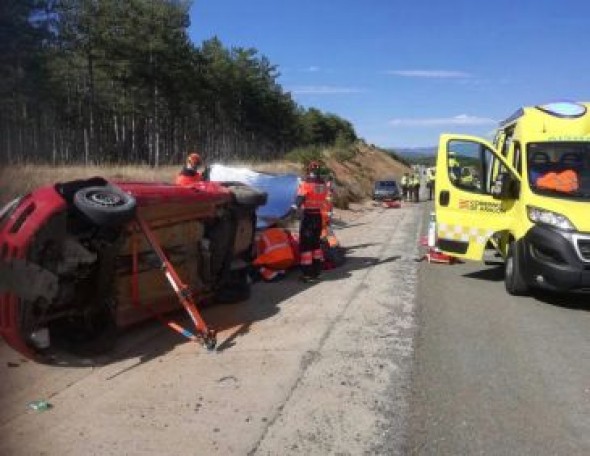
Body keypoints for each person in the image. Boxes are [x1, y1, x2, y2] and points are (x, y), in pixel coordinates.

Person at [295, 161, 329, 282]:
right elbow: (325, 198)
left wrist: (293, 208)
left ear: (308, 170)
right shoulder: (323, 184)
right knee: (316, 245)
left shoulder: (306, 184)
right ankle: (317, 272)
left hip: (308, 217)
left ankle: (307, 274)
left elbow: (299, 199)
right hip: (318, 217)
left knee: (306, 246)